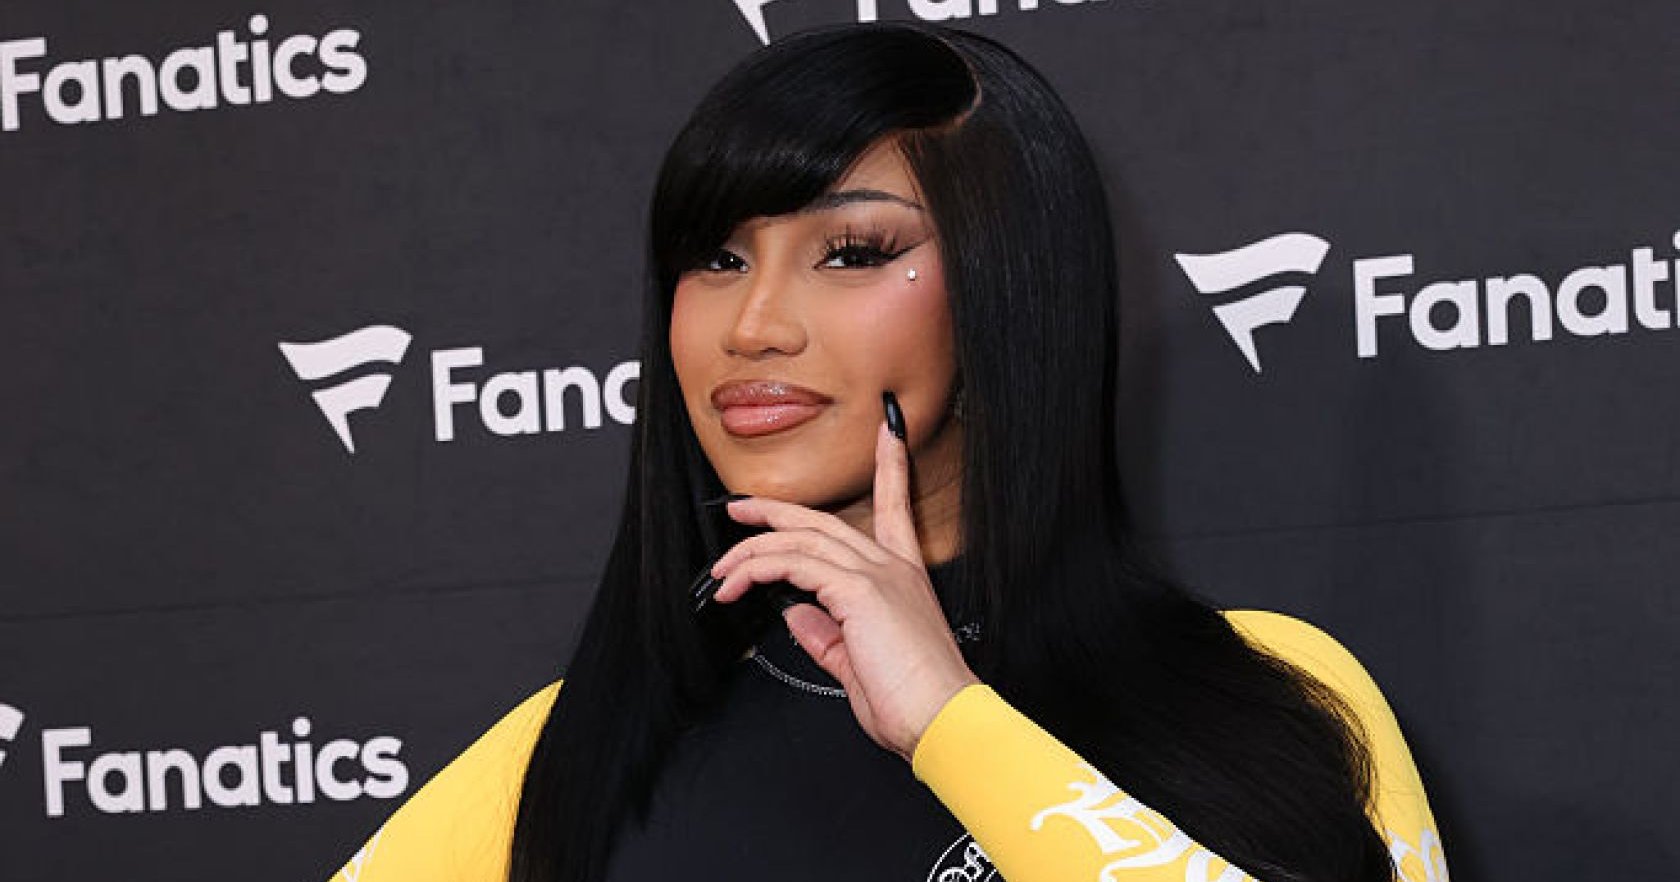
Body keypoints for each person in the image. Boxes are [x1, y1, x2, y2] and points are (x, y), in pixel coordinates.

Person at [326, 21, 1447, 882]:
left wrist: (952, 722)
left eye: (854, 252)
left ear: (1008, 285)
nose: (754, 324)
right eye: (715, 258)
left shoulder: (1275, 694)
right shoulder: (566, 760)